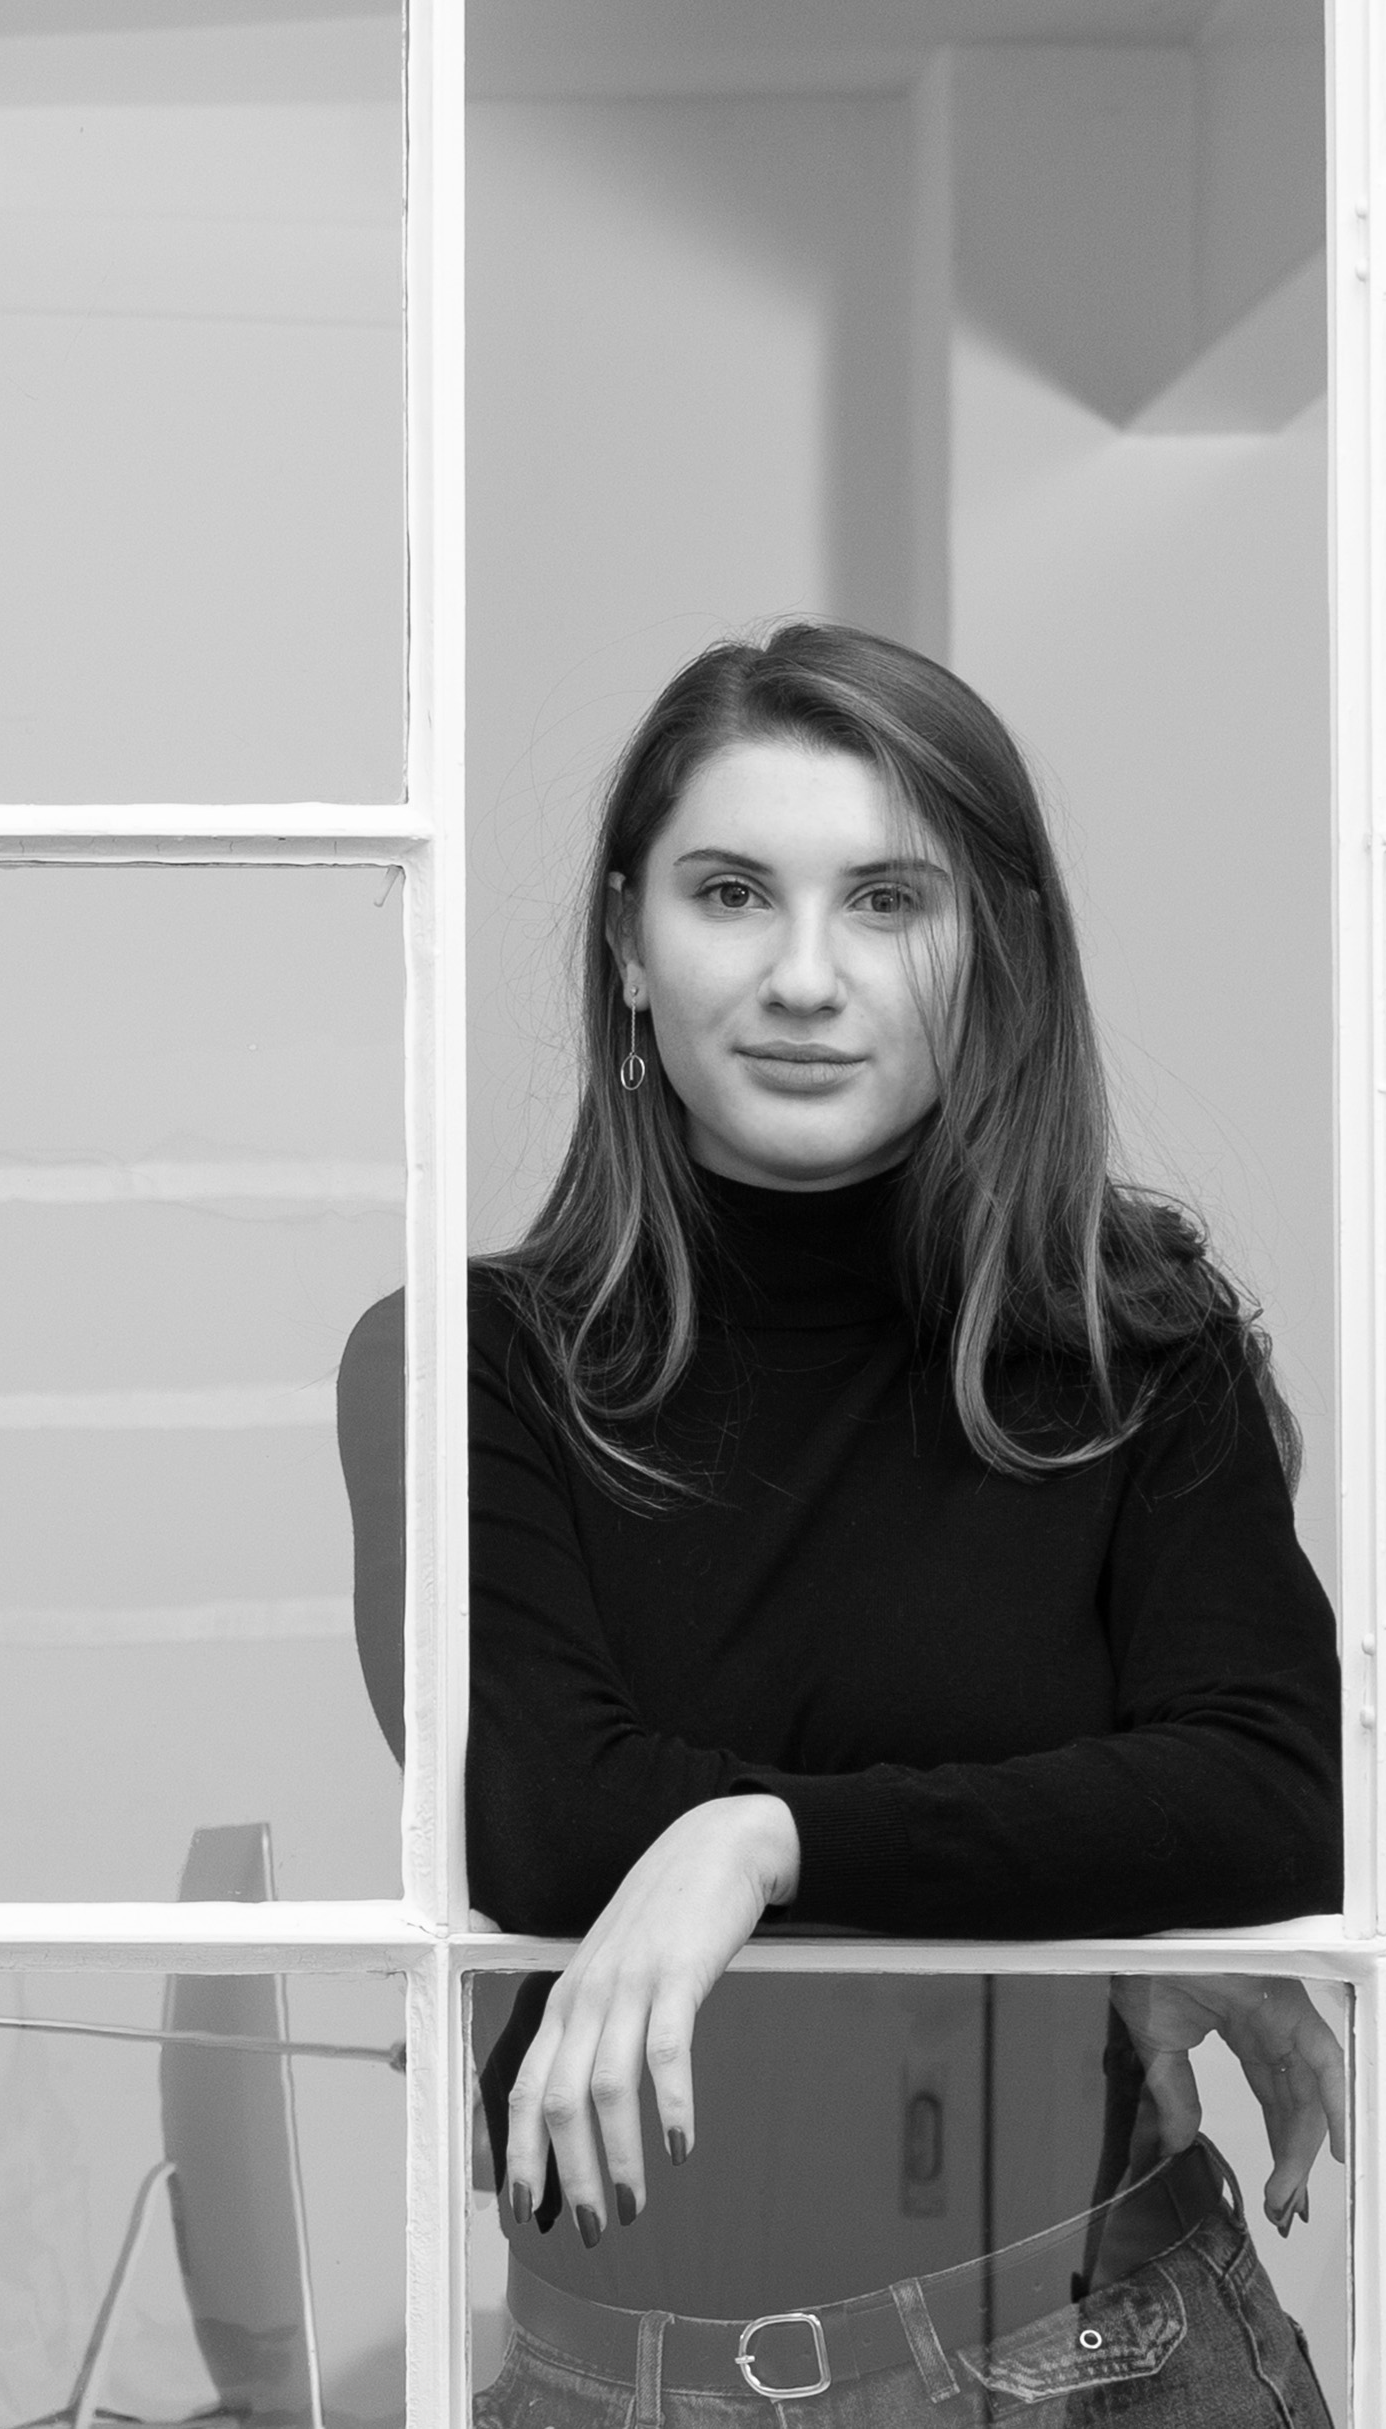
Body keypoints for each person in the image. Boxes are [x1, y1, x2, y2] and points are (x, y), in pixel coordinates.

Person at [341, 621, 1345, 2427]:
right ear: (629, 942)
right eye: (732, 893)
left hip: (1105, 2350)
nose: (805, 976)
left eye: (889, 901)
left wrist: (758, 1839)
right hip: (623, 2384)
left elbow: (1266, 1797)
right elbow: (549, 1823)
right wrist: (1084, 1856)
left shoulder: (1134, 1343)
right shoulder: (464, 1364)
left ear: (993, 953)